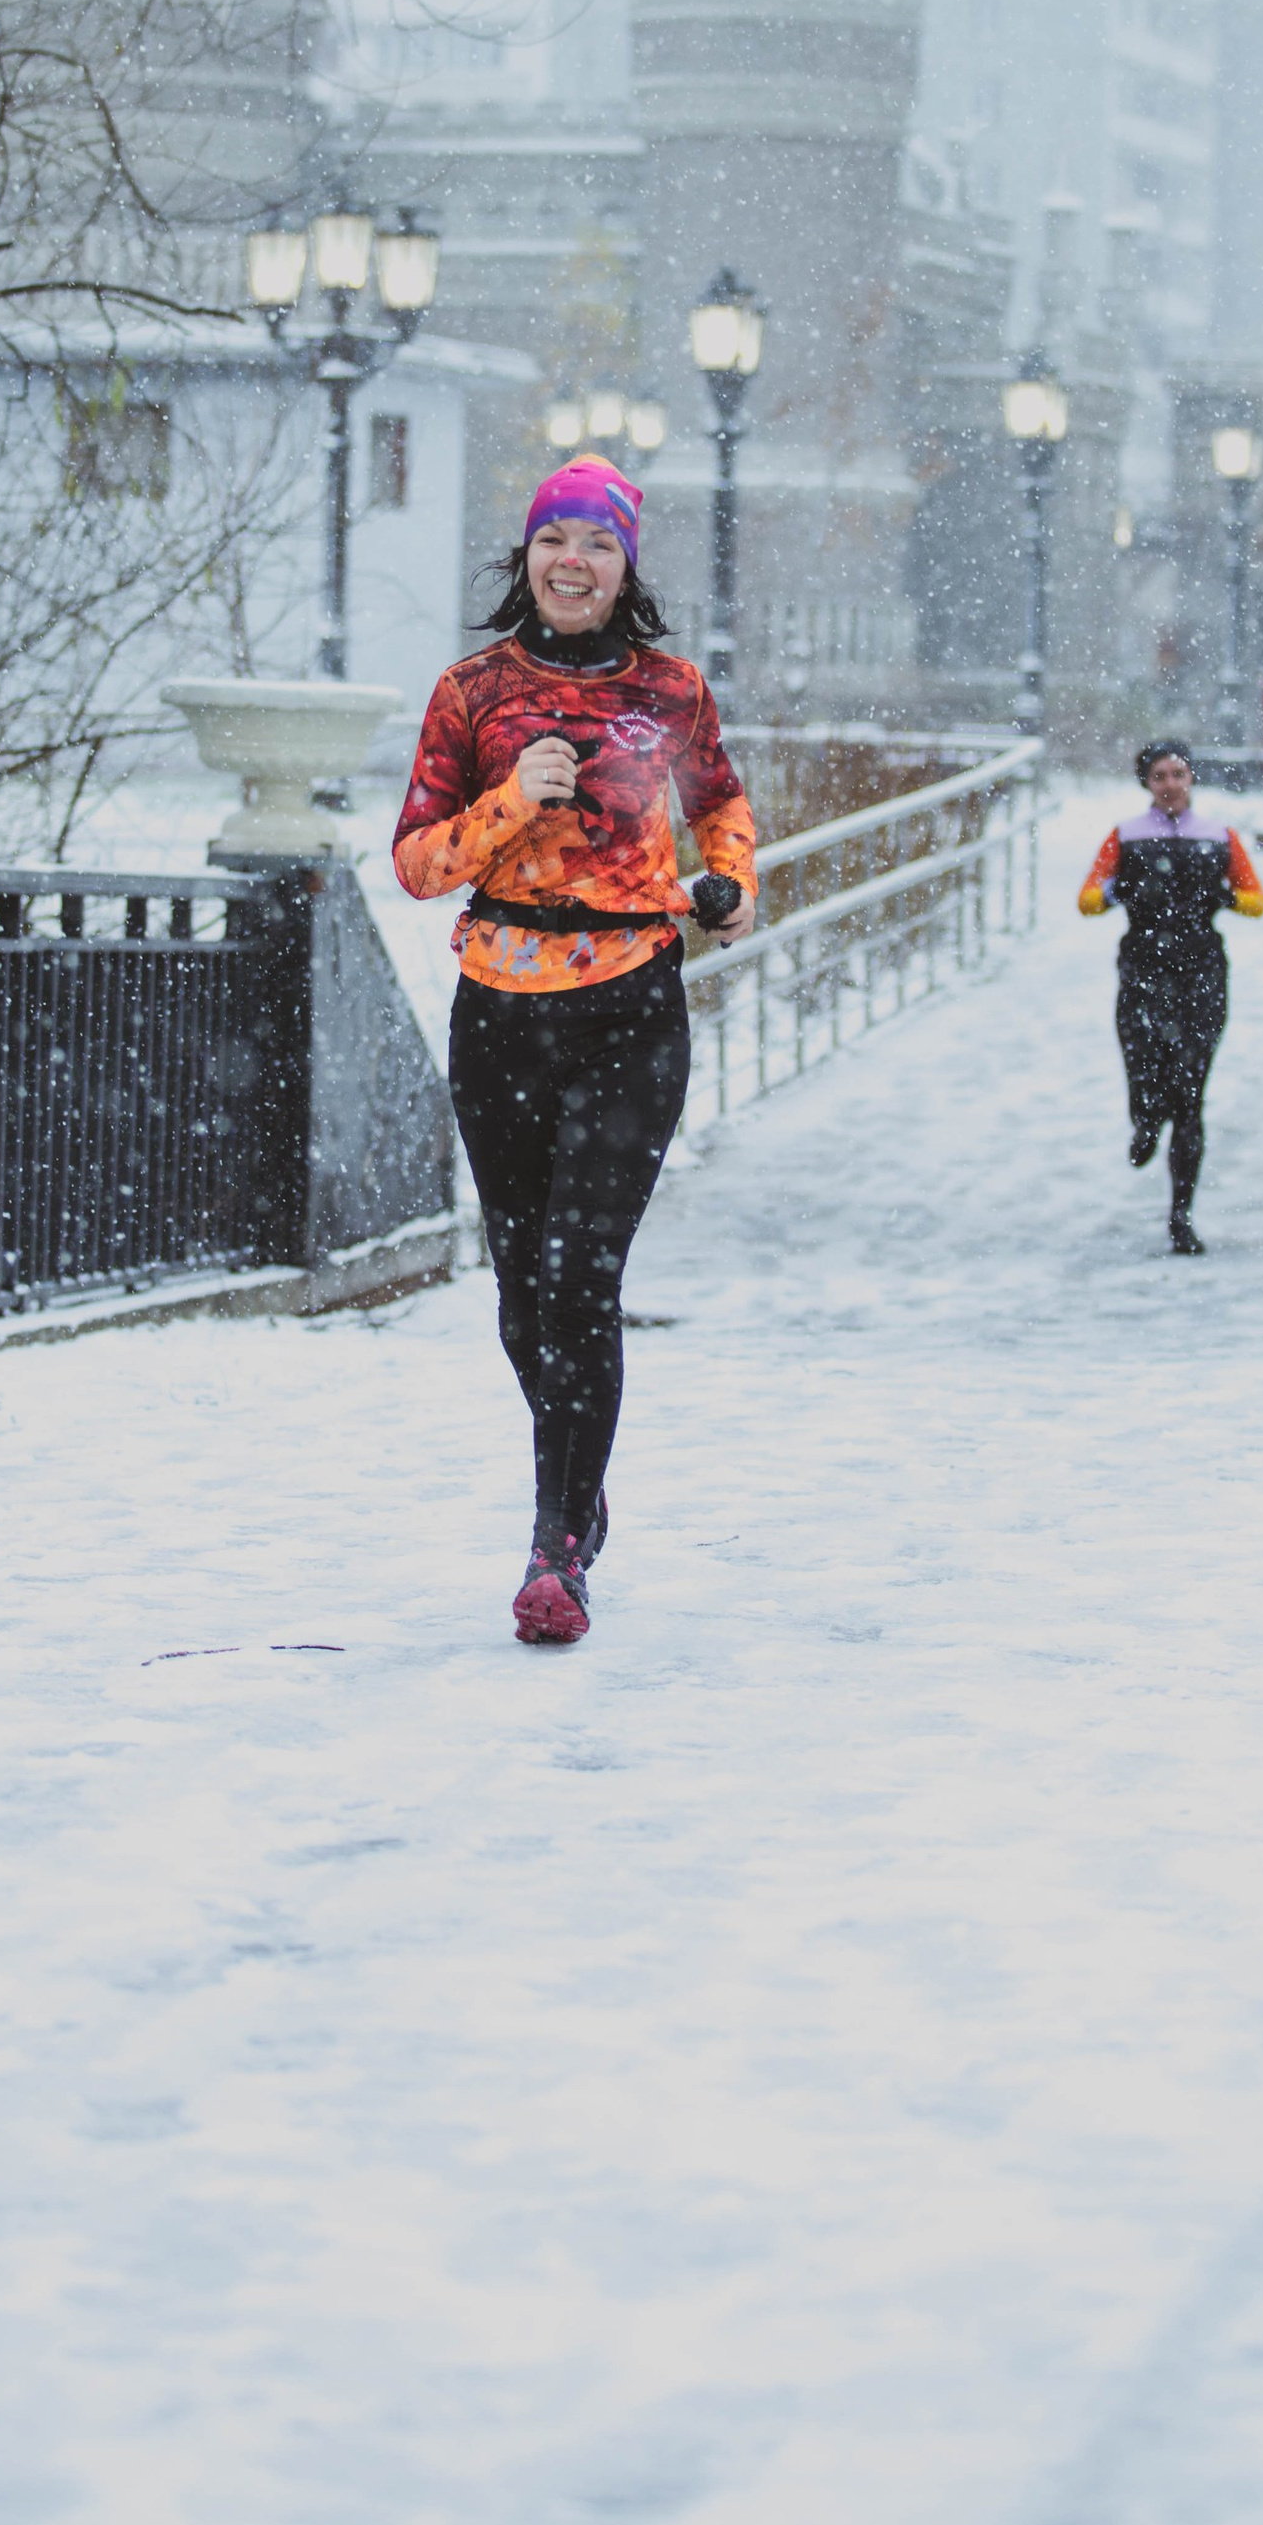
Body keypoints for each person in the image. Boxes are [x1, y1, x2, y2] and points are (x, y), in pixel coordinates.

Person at [393, 456, 759, 1645]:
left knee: (581, 1276)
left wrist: (735, 883)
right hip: (498, 1005)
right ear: (528, 554)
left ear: (625, 566)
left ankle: (556, 1546)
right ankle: (577, 1472)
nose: (574, 563)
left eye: (599, 545)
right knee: (519, 1297)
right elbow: (414, 865)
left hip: (628, 1006)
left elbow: (721, 808)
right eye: (557, 540)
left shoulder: (671, 692)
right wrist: (512, 799)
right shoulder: (471, 693)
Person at [1076, 739, 1263, 1255]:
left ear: (1191, 779)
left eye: (1179, 774)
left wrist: (1224, 896)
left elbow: (1257, 900)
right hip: (1143, 966)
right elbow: (1088, 899)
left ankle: (1181, 1214)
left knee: (1190, 1092)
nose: (1170, 785)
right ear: (1146, 783)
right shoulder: (1126, 836)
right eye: (1159, 776)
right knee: (1143, 1064)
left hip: (1200, 971)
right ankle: (1143, 1119)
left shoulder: (1218, 837)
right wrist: (1121, 892)